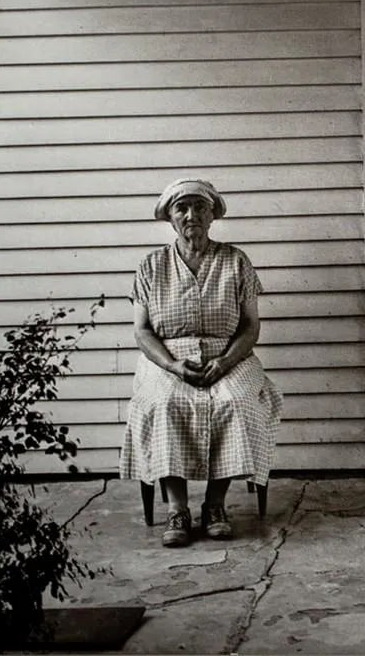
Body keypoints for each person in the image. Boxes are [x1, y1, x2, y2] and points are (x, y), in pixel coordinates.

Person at [119, 179, 282, 547]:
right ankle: (178, 509)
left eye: (199, 207)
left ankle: (215, 505)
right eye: (182, 208)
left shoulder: (235, 261)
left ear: (212, 215)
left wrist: (225, 362)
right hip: (168, 358)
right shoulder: (151, 266)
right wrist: (174, 365)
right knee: (165, 403)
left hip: (228, 355)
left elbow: (250, 326)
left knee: (235, 401)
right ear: (170, 217)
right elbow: (143, 332)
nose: (191, 215)